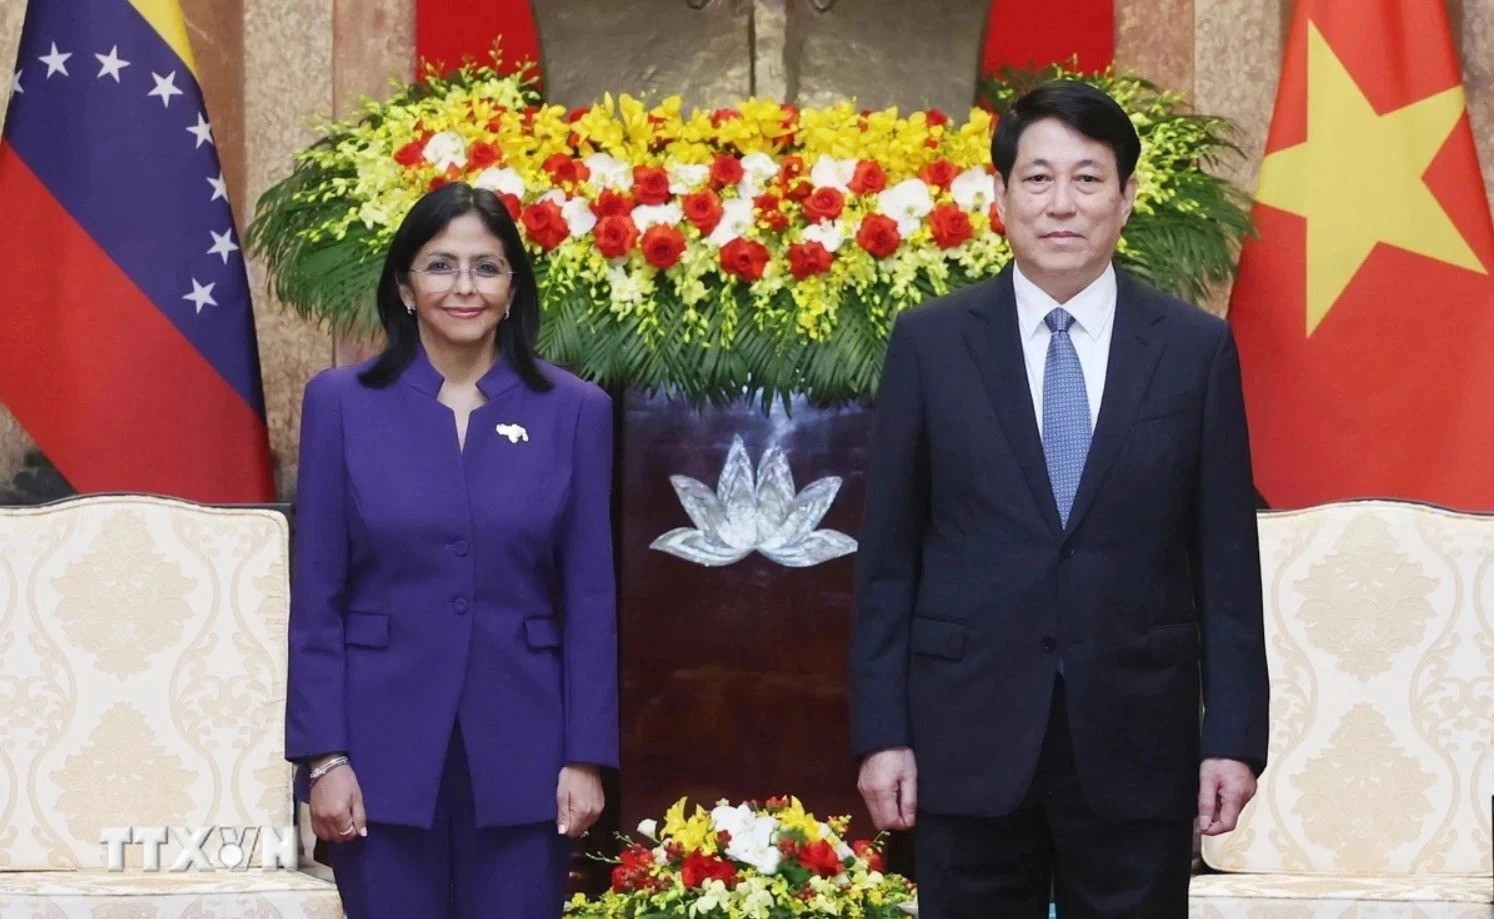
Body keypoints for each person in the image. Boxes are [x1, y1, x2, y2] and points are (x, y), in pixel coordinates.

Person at [849, 80, 1269, 917]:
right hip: (966, 737)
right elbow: (888, 561)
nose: (1061, 204)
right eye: (1037, 179)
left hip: (1137, 738)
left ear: (1126, 198)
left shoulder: (1194, 351)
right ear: (999, 198)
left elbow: (1226, 564)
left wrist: (1233, 737)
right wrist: (881, 733)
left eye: (1087, 178)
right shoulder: (931, 344)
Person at [285, 181, 619, 918]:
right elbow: (317, 598)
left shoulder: (576, 411)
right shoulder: (341, 404)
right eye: (441, 265)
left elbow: (590, 598)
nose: (464, 286)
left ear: (512, 288)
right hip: (376, 752)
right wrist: (324, 759)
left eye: (486, 267)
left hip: (528, 750)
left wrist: (585, 755)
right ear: (405, 287)